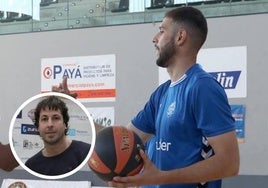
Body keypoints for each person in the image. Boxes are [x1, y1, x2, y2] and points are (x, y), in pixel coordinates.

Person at [53, 6, 239, 187]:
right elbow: (122, 140)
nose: (154, 39)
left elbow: (229, 163)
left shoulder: (203, 87)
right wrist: (73, 109)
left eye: (161, 31)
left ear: (180, 37)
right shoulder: (162, 93)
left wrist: (159, 178)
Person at [25, 95, 91, 176]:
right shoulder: (31, 166)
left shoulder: (87, 153)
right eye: (44, 119)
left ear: (65, 124)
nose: (50, 124)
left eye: (56, 118)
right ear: (38, 127)